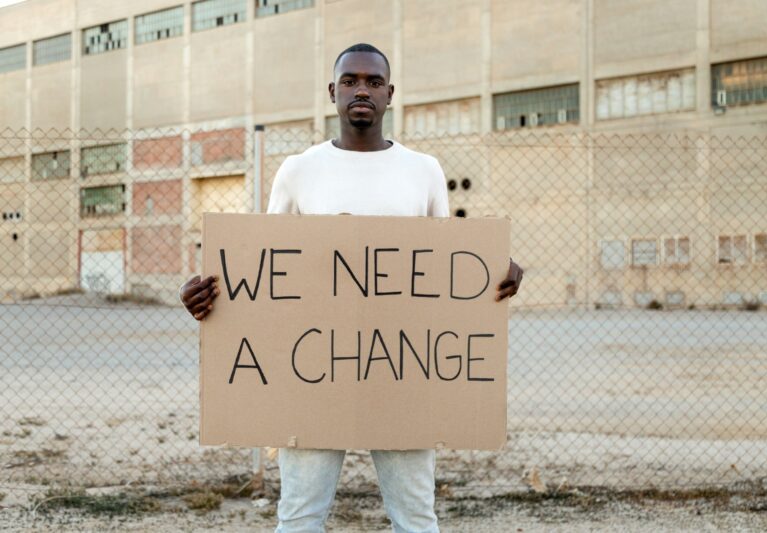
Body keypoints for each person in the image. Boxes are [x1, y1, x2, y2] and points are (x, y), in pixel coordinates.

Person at [180, 43, 523, 533]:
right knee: (299, 517)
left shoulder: (422, 169)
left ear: (390, 95)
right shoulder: (299, 170)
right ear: (332, 92)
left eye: (373, 81)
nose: (361, 89)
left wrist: (495, 270)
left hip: (405, 372)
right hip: (313, 372)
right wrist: (201, 295)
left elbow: (447, 268)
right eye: (350, 80)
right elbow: (262, 271)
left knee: (417, 519)